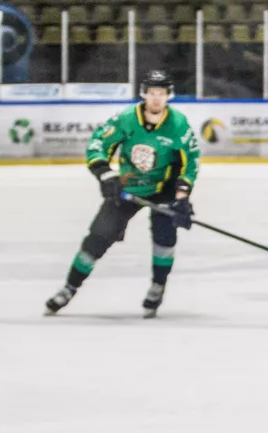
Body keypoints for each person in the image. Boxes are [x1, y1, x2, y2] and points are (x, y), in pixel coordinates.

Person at [44, 70, 199, 318]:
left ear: (168, 95)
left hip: (164, 188)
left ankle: (158, 285)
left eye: (161, 93)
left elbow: (190, 162)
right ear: (144, 94)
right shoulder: (126, 118)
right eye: (152, 93)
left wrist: (181, 196)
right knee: (98, 237)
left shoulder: (178, 124)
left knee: (164, 240)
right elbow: (98, 144)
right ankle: (69, 287)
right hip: (128, 188)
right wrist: (105, 174)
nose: (156, 98)